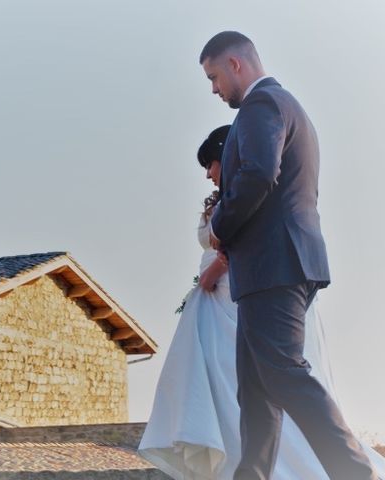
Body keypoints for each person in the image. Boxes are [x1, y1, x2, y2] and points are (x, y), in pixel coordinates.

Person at [138, 126, 385, 479]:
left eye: (209, 163)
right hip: (231, 296)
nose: (207, 173)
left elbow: (229, 248)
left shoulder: (247, 194)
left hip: (240, 298)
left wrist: (209, 276)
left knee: (256, 383)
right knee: (247, 391)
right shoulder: (224, 197)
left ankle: (337, 468)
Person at [201, 31, 378, 479]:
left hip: (273, 265)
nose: (214, 88)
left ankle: (355, 472)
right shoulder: (281, 106)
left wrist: (220, 225)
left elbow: (260, 173)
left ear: (237, 65)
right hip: (273, 265)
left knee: (284, 375)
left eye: (215, 76)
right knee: (257, 392)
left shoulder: (263, 105)